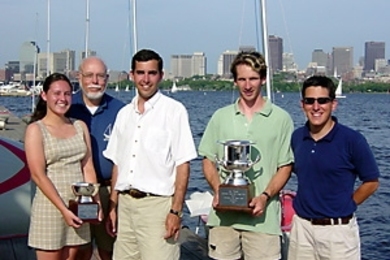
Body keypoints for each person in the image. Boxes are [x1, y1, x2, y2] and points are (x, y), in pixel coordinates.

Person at [198, 51, 294, 260]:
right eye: (242, 79)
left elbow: (285, 166)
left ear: (263, 79)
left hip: (264, 220)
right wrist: (218, 192)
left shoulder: (281, 119)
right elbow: (208, 160)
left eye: (253, 78)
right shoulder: (220, 117)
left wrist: (264, 197)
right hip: (223, 219)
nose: (248, 85)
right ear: (234, 82)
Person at [103, 49, 197, 260]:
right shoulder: (124, 114)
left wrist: (175, 211)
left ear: (161, 75)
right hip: (125, 205)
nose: (145, 79)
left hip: (157, 207)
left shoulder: (174, 111)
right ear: (132, 75)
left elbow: (183, 164)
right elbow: (118, 163)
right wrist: (113, 205)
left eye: (151, 73)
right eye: (140, 73)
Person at [287, 75, 380, 260]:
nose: (316, 107)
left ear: (333, 104)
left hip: (337, 233)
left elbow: (371, 181)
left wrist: (349, 204)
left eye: (322, 100)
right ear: (302, 104)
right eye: (310, 101)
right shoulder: (297, 138)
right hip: (302, 230)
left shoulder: (352, 140)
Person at [24, 73, 101, 260]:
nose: (62, 99)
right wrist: (63, 210)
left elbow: (88, 167)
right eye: (57, 93)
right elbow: (38, 175)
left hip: (78, 205)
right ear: (44, 96)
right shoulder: (36, 129)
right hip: (50, 206)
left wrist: (96, 202)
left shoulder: (80, 126)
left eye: (67, 94)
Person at [68, 56, 125, 260]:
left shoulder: (120, 111)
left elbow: (123, 159)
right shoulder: (66, 106)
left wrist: (113, 203)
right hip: (73, 191)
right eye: (89, 75)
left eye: (100, 76)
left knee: (108, 249)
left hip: (108, 190)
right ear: (79, 77)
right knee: (77, 251)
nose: (95, 81)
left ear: (107, 79)